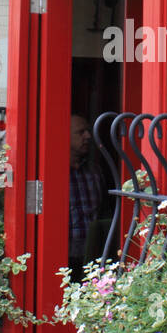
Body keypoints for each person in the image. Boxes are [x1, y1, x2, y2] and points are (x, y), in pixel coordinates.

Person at [69, 114, 104, 279]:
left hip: (93, 253)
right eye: (80, 132)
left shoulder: (94, 171)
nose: (88, 136)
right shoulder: (51, 172)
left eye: (88, 131)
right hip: (63, 254)